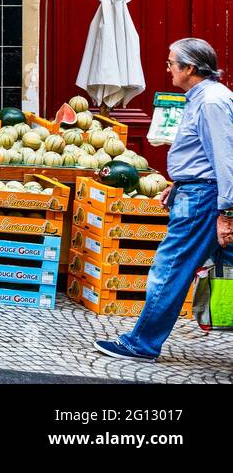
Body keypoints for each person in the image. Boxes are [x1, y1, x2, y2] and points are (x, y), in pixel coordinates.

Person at [95, 38, 233, 362]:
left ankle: (141, 343)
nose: (168, 68)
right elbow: (205, 155)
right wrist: (179, 183)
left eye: (172, 63)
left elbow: (226, 159)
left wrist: (226, 210)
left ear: (189, 68)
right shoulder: (202, 97)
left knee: (170, 267)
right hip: (198, 191)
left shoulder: (211, 101)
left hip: (203, 198)